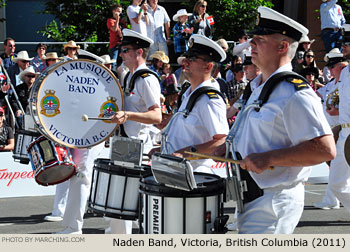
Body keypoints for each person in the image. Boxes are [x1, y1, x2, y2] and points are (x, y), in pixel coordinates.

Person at [215, 6, 336, 234]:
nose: (252, 44)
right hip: (251, 197)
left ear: (282, 46)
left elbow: (324, 149)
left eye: (260, 39)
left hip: (274, 202)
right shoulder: (259, 86)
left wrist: (269, 158)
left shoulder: (294, 93)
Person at [148, 34, 229, 176]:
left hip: (195, 176)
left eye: (191, 59)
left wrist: (186, 152)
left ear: (208, 66)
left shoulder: (210, 100)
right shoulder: (189, 94)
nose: (185, 63)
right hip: (176, 171)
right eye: (186, 59)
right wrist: (163, 150)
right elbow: (185, 135)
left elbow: (222, 141)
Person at [109, 29, 161, 234]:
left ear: (138, 52)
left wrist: (128, 115)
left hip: (138, 147)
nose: (121, 54)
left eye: (125, 50)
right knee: (119, 201)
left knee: (128, 201)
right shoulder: (129, 76)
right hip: (125, 144)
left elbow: (156, 115)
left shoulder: (147, 79)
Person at [314, 48, 346, 210]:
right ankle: (330, 199)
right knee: (336, 172)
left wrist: (338, 111)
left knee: (338, 172)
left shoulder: (345, 81)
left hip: (342, 129)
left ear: (340, 66)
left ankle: (330, 200)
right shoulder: (334, 83)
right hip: (336, 130)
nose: (330, 70)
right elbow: (319, 95)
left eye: (332, 67)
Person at [326, 23, 350, 214]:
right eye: (343, 42)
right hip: (344, 133)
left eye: (348, 43)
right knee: (336, 183)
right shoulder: (346, 73)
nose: (343, 47)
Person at [107, 4, 127, 70]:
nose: (120, 13)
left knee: (123, 62)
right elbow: (114, 29)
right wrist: (117, 19)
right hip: (114, 44)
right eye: (118, 11)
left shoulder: (122, 22)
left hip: (122, 44)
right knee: (113, 62)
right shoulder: (110, 20)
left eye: (121, 12)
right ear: (114, 11)